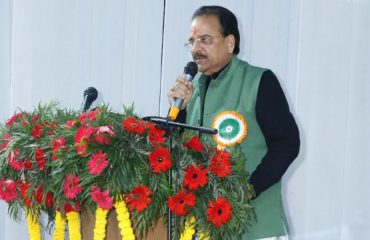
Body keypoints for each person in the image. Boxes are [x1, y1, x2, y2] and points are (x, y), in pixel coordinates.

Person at [167, 5, 300, 240]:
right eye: (192, 41)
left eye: (205, 40)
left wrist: (246, 191)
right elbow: (174, 151)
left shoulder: (259, 81)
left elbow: (287, 143)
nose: (196, 49)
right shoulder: (193, 91)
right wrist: (178, 111)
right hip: (202, 228)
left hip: (255, 226)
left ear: (229, 43)